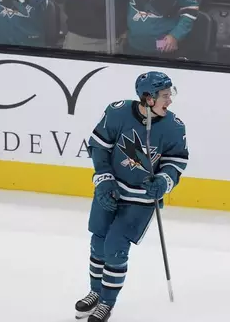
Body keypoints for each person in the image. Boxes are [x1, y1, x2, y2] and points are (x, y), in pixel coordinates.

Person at [75, 71, 189, 322]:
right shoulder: (117, 113)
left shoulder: (173, 126)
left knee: (115, 247)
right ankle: (95, 292)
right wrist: (104, 179)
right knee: (99, 241)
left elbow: (176, 161)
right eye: (165, 95)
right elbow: (99, 146)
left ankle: (107, 302)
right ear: (148, 98)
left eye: (171, 94)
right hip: (111, 190)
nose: (169, 100)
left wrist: (164, 181)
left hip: (141, 199)